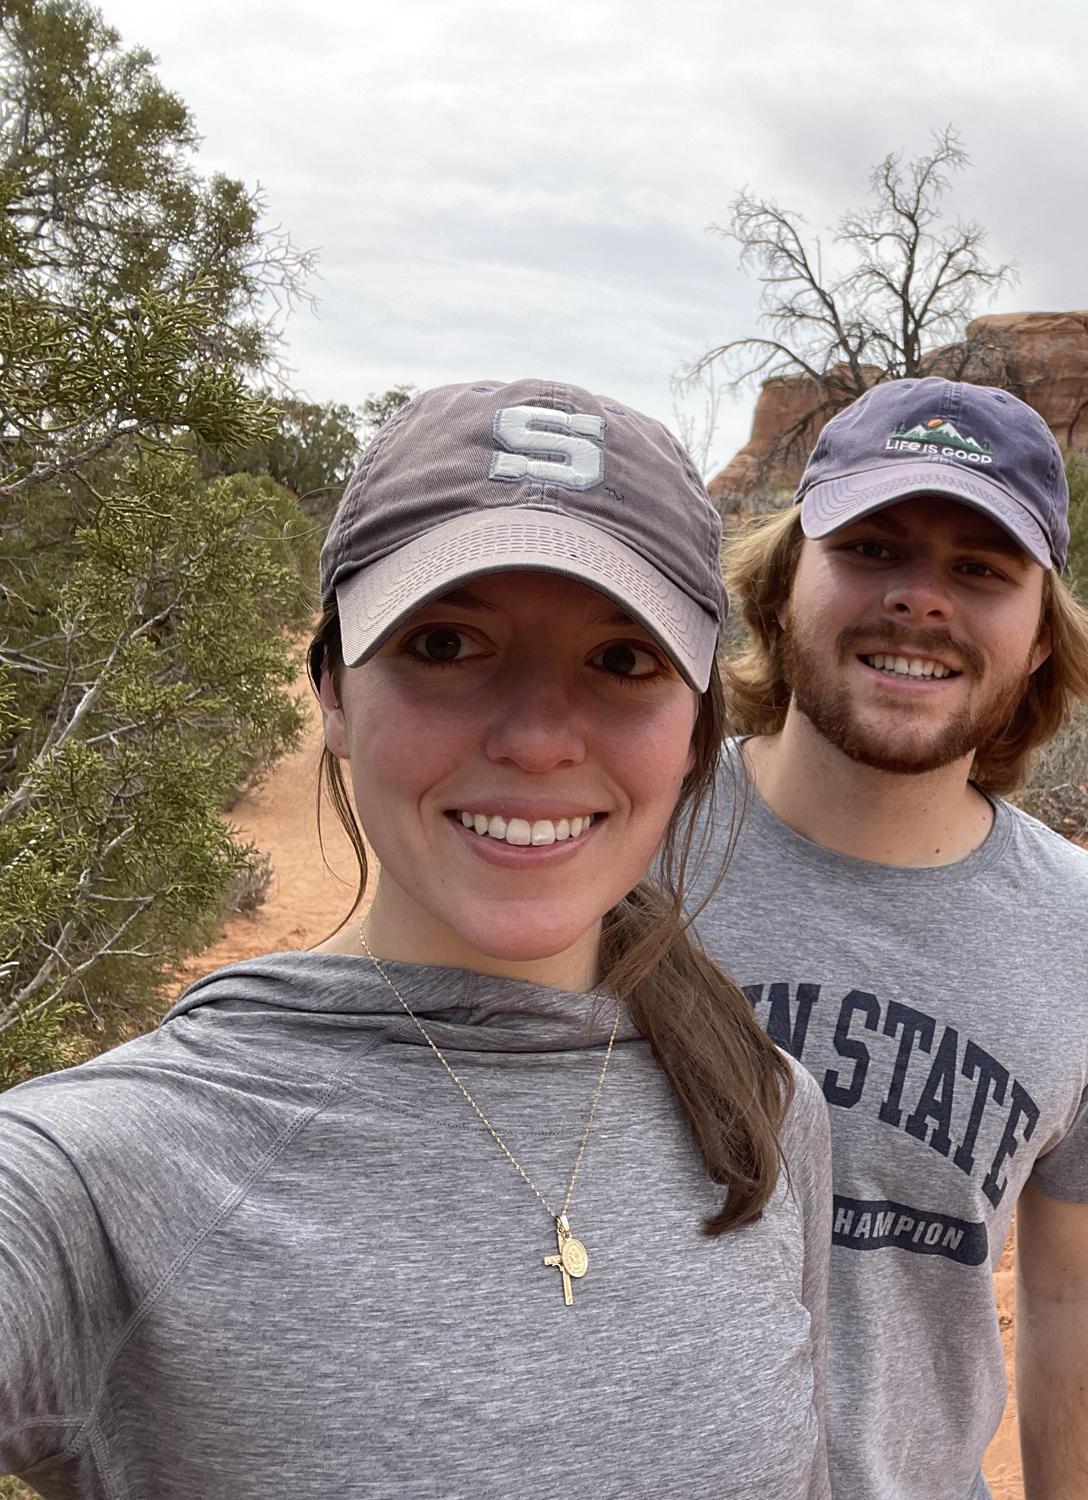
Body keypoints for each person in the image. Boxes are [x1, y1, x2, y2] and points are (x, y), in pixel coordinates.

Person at [0, 379, 831, 1498]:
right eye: (447, 643)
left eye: (623, 660)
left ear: (693, 735)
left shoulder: (767, 1110)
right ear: (333, 694)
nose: (537, 740)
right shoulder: (100, 1175)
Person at [689, 376, 1088, 1499]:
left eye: (980, 570)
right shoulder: (630, 847)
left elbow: (1075, 1287)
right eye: (869, 547)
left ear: (1043, 635)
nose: (919, 600)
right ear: (777, 588)